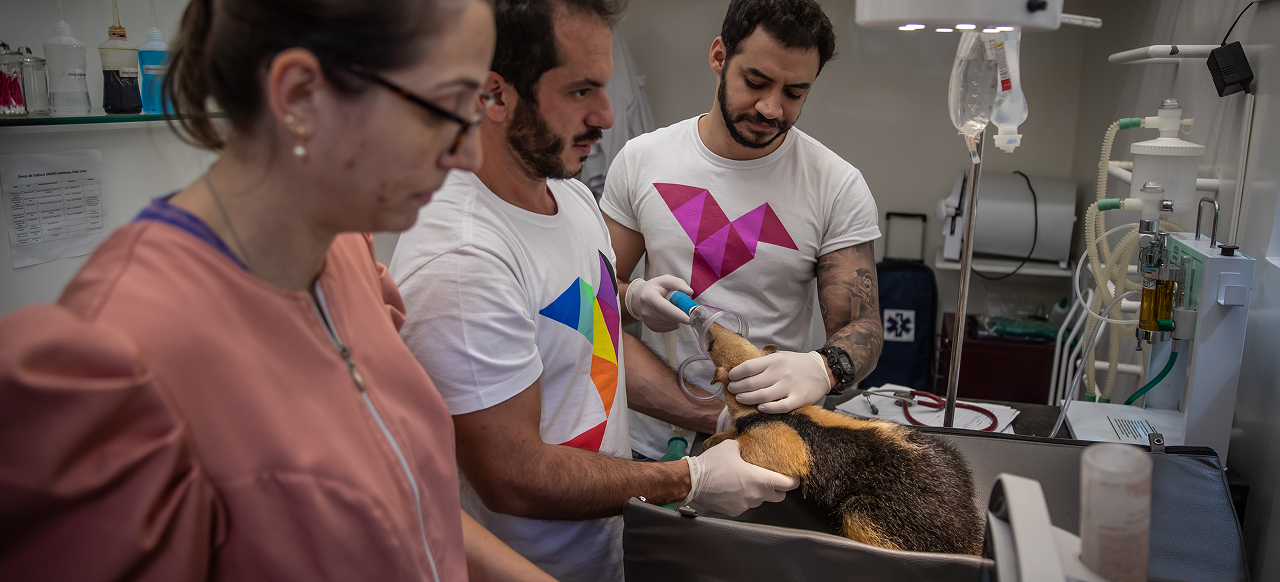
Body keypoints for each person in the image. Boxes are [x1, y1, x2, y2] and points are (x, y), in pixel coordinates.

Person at [0, 0, 555, 580]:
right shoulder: (116, 362)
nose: (468, 153)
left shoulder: (345, 253)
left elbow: (416, 507)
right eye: (445, 108)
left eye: (478, 105)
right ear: (299, 96)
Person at [389, 1, 800, 580]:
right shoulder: (466, 257)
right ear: (494, 95)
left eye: (602, 87)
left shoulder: (569, 195)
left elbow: (595, 347)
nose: (607, 115)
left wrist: (715, 420)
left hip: (605, 553)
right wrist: (689, 480)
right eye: (581, 91)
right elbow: (514, 477)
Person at [601, 0, 885, 462]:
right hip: (645, 438)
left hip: (765, 443)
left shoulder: (835, 185)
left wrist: (825, 367)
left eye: (795, 92)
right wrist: (632, 297)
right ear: (719, 56)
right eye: (756, 82)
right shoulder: (642, 160)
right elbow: (593, 297)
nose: (771, 107)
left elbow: (862, 325)